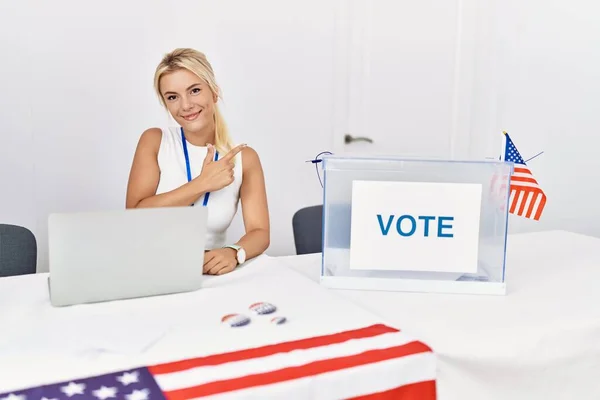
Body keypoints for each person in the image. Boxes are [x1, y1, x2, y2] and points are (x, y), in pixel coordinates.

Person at [125, 48, 270, 275]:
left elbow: (260, 231)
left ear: (214, 92)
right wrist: (202, 184)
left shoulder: (244, 158)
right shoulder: (154, 141)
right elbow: (135, 216)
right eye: (173, 97)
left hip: (208, 273)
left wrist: (234, 252)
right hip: (151, 270)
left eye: (194, 90)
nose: (185, 105)